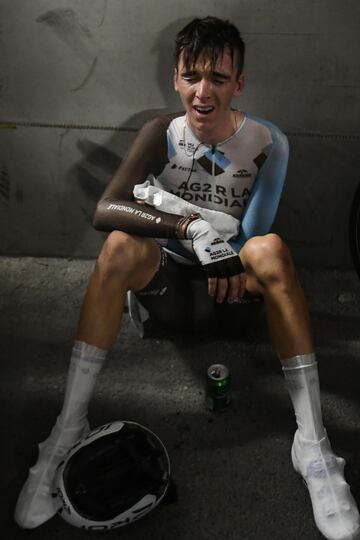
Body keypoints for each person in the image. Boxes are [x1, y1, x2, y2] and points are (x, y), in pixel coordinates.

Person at [15, 16, 360, 540]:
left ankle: (312, 445)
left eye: (218, 79)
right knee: (116, 248)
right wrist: (188, 226)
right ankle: (67, 429)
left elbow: (254, 234)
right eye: (192, 76)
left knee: (270, 248)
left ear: (238, 84)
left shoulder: (269, 142)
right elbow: (106, 208)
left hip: (232, 292)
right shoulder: (162, 132)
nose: (203, 92)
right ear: (176, 78)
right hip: (168, 288)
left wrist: (218, 243)